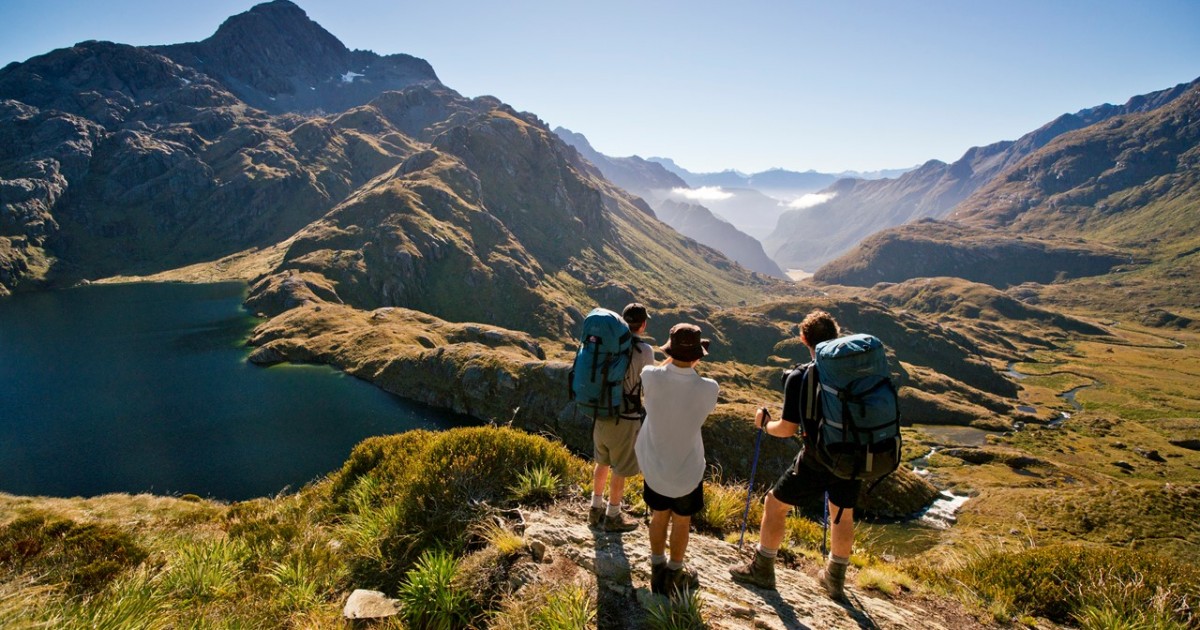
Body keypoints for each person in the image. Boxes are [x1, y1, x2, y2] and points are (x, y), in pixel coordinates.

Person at [729, 309, 856, 601]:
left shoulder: (801, 376)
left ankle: (762, 568)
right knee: (842, 513)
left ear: (803, 339)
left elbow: (787, 429)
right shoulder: (851, 370)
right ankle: (835, 580)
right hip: (853, 454)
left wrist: (764, 424)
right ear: (835, 336)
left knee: (774, 504)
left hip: (818, 456)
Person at [635, 323, 719, 596]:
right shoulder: (709, 388)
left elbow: (659, 369)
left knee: (659, 516)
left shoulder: (650, 376)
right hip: (688, 470)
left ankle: (657, 566)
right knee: (682, 521)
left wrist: (675, 359)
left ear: (669, 351)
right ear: (698, 356)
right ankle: (675, 570)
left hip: (656, 467)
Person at [588, 303, 656, 532]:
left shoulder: (609, 344)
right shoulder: (645, 351)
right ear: (643, 324)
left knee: (602, 462)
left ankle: (595, 509)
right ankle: (613, 515)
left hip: (601, 411)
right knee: (620, 467)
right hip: (626, 417)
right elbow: (650, 385)